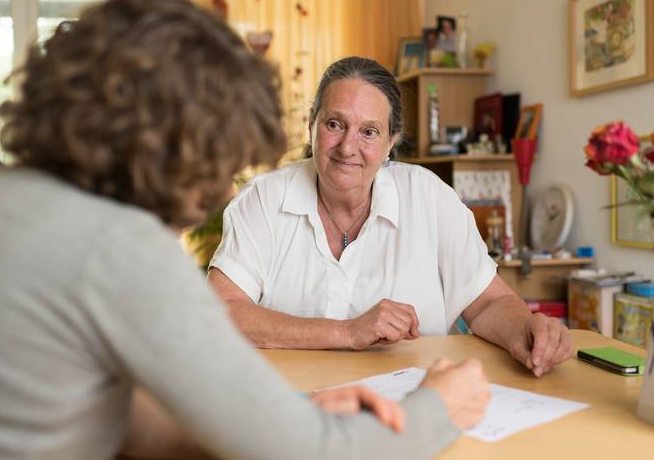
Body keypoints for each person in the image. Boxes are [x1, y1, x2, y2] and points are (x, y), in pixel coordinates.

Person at [0, 0, 491, 460]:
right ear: (170, 148)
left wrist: (268, 425)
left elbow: (82, 411)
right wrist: (440, 409)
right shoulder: (116, 252)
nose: (208, 199)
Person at [208, 56, 573, 377]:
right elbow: (219, 312)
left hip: (413, 405)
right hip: (291, 404)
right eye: (334, 124)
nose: (348, 147)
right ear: (312, 125)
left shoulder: (430, 197)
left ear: (390, 143)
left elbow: (489, 303)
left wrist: (527, 332)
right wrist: (347, 332)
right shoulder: (263, 198)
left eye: (369, 132)